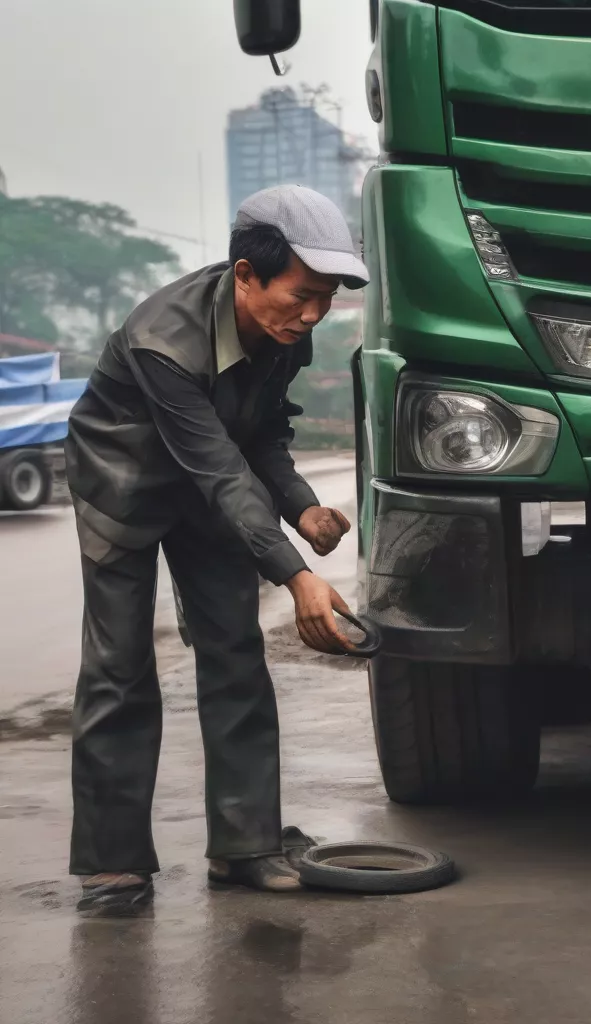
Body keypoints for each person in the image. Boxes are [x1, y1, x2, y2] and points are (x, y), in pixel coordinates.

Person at [65, 185, 368, 912]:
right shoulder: (161, 340)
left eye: (325, 297)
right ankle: (112, 864)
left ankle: (244, 846)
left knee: (235, 651)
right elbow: (217, 467)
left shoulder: (289, 330)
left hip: (212, 491)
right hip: (125, 484)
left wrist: (304, 507)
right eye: (301, 295)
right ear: (244, 274)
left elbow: (261, 436)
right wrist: (298, 577)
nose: (313, 313)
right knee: (119, 666)